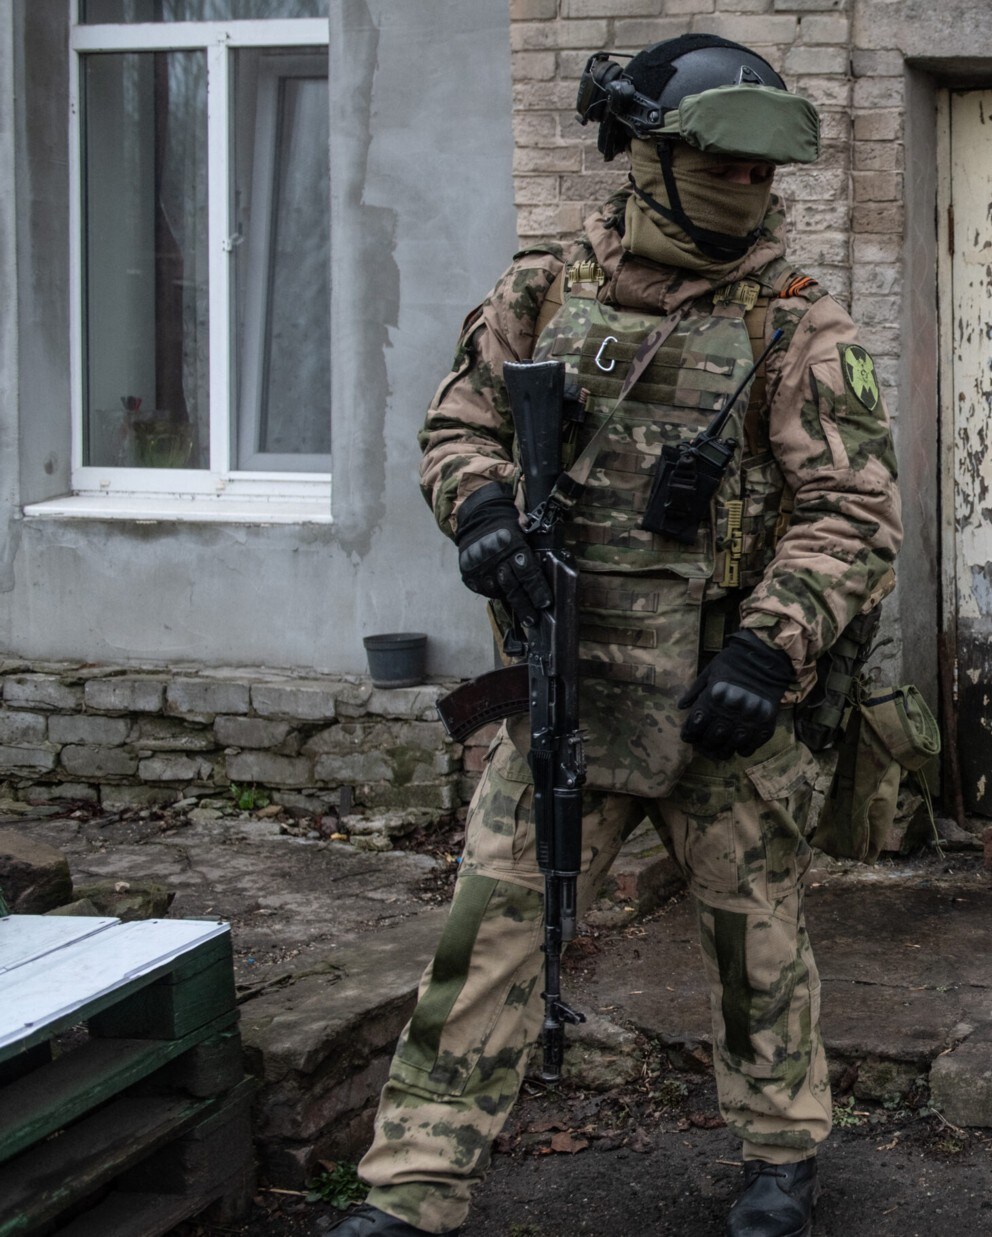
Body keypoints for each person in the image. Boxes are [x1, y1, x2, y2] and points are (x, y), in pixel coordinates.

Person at [331, 36, 899, 1237]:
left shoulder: (795, 323)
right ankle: (412, 1188)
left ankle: (783, 1158)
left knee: (758, 942)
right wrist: (480, 509)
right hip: (566, 688)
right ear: (648, 153)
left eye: (762, 174)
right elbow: (456, 425)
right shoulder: (539, 290)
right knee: (487, 931)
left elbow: (851, 510)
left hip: (721, 702)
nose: (749, 192)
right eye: (721, 166)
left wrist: (768, 648)